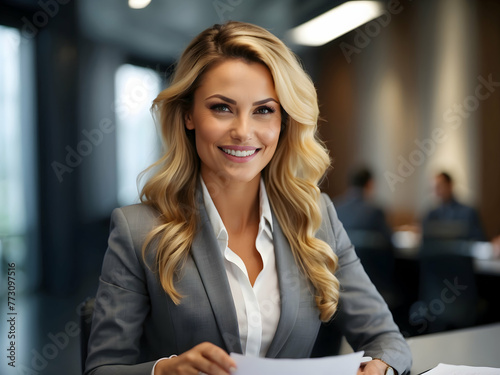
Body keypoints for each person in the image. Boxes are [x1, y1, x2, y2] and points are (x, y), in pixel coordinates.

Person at [84, 21, 412, 375]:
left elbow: (387, 340)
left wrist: (382, 368)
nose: (243, 131)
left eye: (264, 110)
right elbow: (102, 369)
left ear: (284, 121)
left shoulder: (316, 217)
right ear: (188, 115)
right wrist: (164, 371)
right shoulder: (137, 231)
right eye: (222, 108)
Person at [335, 167, 393, 247]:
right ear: (369, 184)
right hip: (370, 259)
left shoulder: (336, 208)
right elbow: (389, 240)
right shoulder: (375, 212)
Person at [422, 172, 485, 241]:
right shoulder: (431, 214)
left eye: (439, 187)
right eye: (433, 188)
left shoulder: (468, 212)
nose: (436, 192)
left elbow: (479, 240)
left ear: (450, 185)